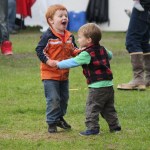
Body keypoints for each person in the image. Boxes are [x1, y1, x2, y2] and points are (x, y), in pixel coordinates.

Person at [52, 23, 121, 136]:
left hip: (97, 87)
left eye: (79, 38)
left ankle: (93, 128)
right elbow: (110, 55)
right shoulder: (102, 49)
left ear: (88, 40)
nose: (78, 40)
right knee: (108, 108)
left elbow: (73, 62)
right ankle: (115, 127)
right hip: (109, 86)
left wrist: (59, 64)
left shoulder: (86, 54)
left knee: (92, 108)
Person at [35, 4, 81, 133]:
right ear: (51, 20)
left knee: (64, 99)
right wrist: (48, 61)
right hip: (49, 75)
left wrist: (83, 52)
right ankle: (51, 122)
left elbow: (74, 50)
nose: (64, 18)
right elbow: (39, 50)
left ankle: (59, 118)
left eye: (66, 16)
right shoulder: (47, 36)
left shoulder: (69, 36)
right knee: (53, 99)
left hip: (64, 75)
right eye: (60, 16)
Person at [117, 0, 150, 90]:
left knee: (132, 40)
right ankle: (148, 78)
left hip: (143, 4)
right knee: (143, 41)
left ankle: (138, 79)